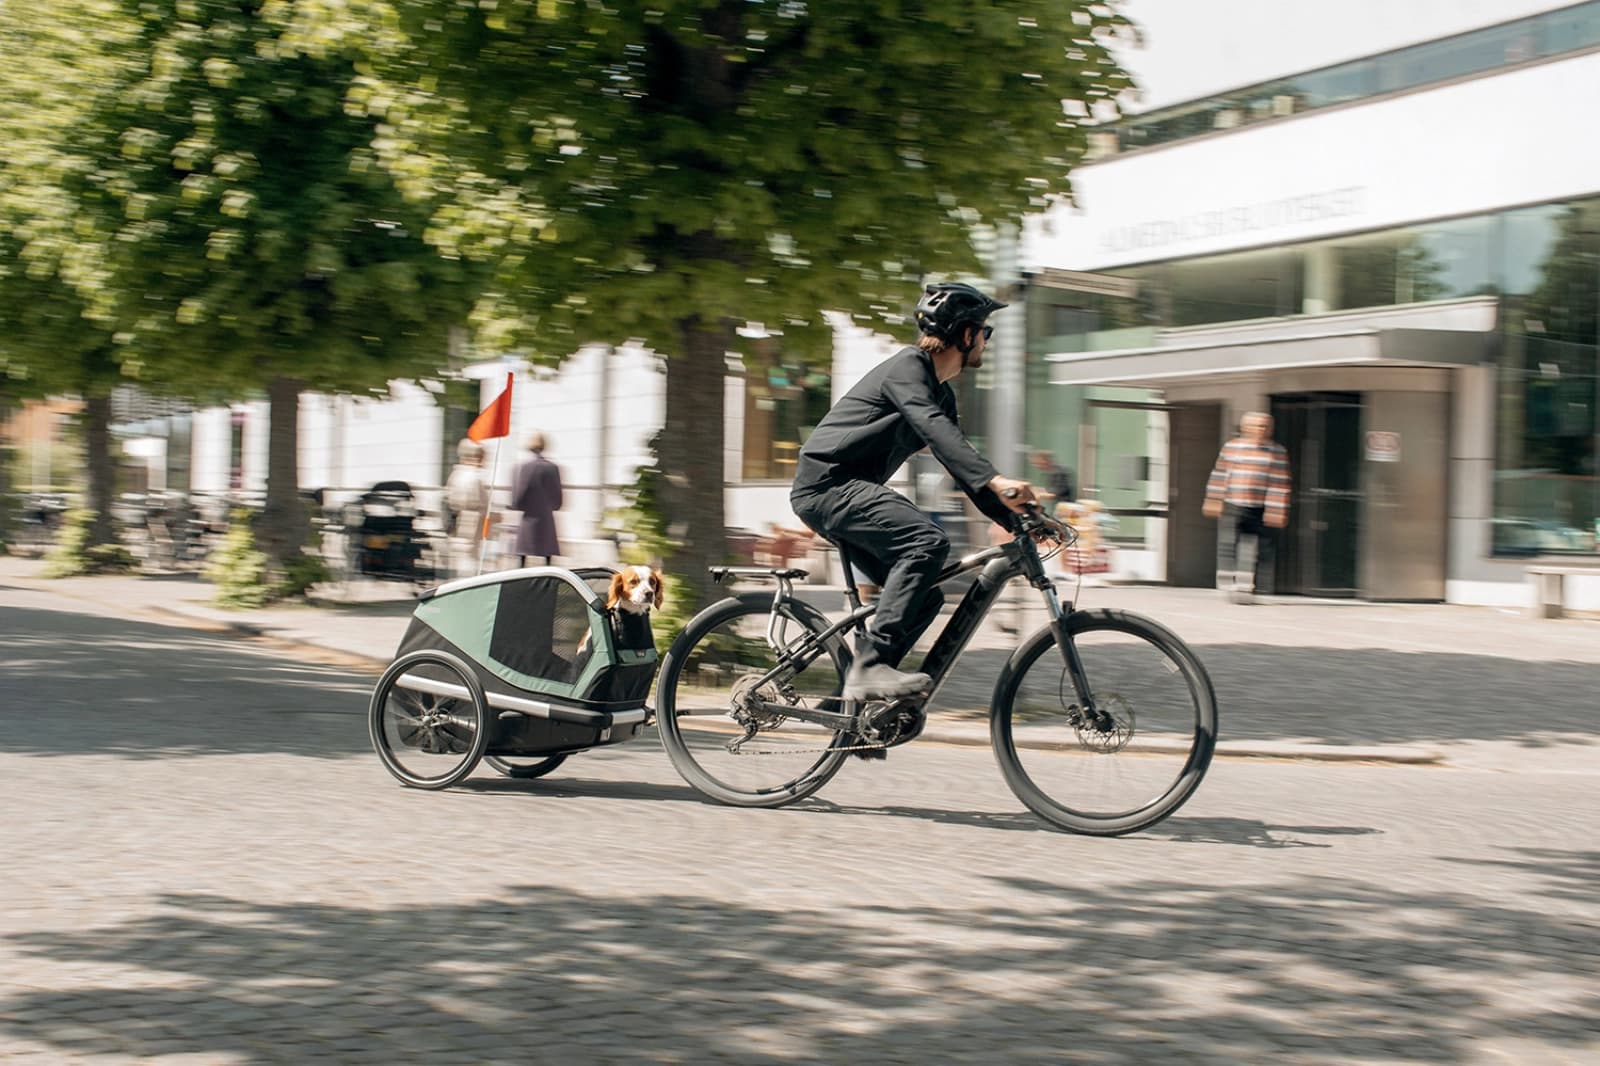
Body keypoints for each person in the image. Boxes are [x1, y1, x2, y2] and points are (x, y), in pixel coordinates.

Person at [790, 281, 1037, 704]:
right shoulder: (909, 368)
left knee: (924, 598)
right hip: (827, 486)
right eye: (985, 333)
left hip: (847, 491)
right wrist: (998, 478)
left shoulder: (939, 391)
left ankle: (856, 708)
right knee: (925, 542)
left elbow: (956, 458)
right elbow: (934, 430)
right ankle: (868, 670)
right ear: (964, 334)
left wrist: (1018, 520)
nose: (986, 343)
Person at [1203, 411, 1291, 604]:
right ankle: (1227, 581)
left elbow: (1280, 483)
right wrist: (1214, 499)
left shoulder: (1277, 451)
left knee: (1261, 546)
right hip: (1234, 502)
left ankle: (1249, 584)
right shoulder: (1232, 448)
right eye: (1257, 426)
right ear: (1246, 427)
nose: (1262, 430)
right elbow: (1220, 474)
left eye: (1265, 426)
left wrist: (1277, 509)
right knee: (1230, 543)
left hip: (1260, 506)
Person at [510, 429, 563, 567]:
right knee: (547, 555)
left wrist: (516, 505)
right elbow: (558, 497)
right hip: (546, 516)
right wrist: (552, 506)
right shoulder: (552, 468)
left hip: (528, 517)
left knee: (523, 556)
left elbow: (520, 493)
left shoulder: (524, 467)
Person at [444, 438, 491, 577]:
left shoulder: (456, 474)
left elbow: (450, 498)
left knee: (462, 556)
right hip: (472, 522)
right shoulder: (475, 477)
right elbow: (480, 503)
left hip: (459, 520)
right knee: (470, 557)